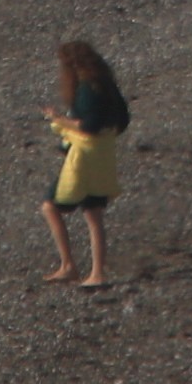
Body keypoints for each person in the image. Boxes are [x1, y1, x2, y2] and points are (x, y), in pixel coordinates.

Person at [39, 40, 130, 287]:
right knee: (93, 213)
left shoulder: (87, 90)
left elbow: (88, 126)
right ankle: (97, 273)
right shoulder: (107, 85)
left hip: (85, 157)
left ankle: (69, 265)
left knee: (51, 206)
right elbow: (122, 120)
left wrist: (58, 120)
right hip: (103, 156)